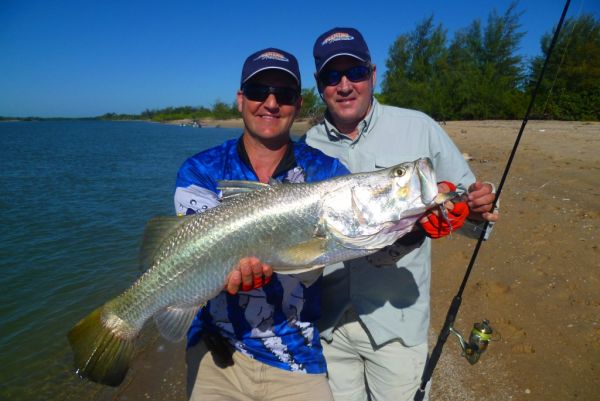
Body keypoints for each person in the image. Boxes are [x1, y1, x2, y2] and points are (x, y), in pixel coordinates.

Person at [302, 27, 499, 401]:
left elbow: (470, 209)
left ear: (372, 75)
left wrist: (477, 210)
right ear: (319, 84)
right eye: (332, 76)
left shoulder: (419, 128)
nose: (344, 85)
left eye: (355, 73)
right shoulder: (307, 146)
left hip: (396, 327)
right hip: (329, 327)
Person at [173, 48, 350, 401]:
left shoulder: (328, 175)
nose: (270, 103)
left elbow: (367, 238)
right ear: (240, 100)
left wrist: (418, 226)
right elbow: (190, 259)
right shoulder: (200, 171)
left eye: (283, 95)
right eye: (258, 92)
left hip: (297, 358)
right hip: (217, 354)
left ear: (298, 105)